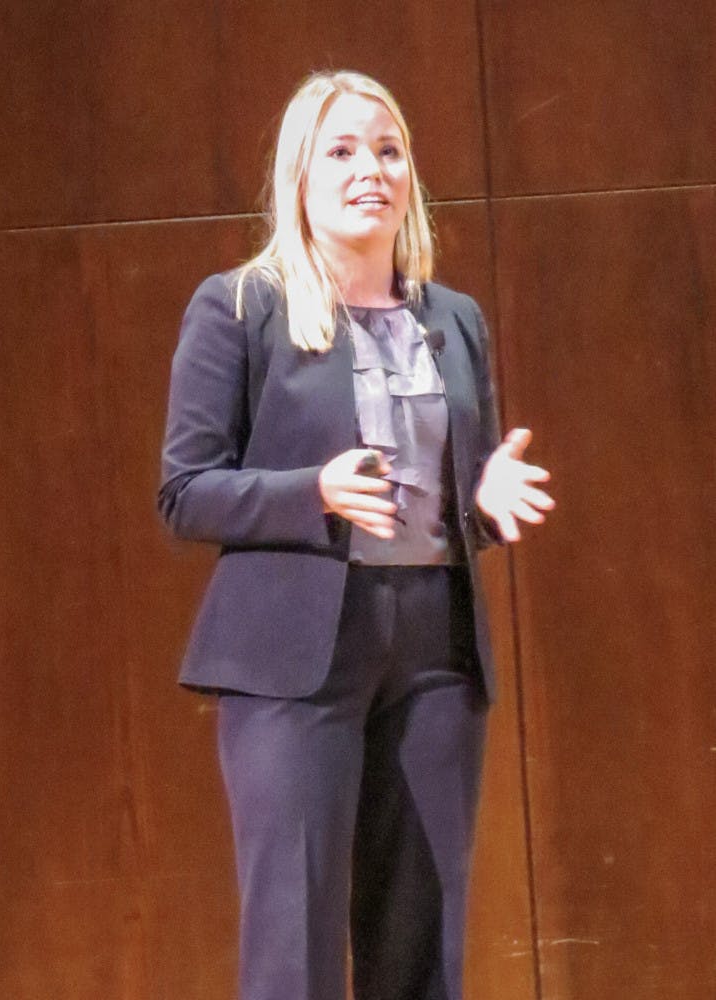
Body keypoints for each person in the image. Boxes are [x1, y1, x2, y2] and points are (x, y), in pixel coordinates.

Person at [158, 70, 553, 1000]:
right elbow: (185, 491)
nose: (370, 167)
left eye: (388, 149)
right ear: (298, 174)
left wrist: (484, 496)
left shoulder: (454, 320)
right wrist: (314, 492)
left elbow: (456, 498)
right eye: (341, 150)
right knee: (294, 939)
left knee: (421, 938)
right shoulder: (240, 307)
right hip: (296, 658)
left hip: (435, 653)